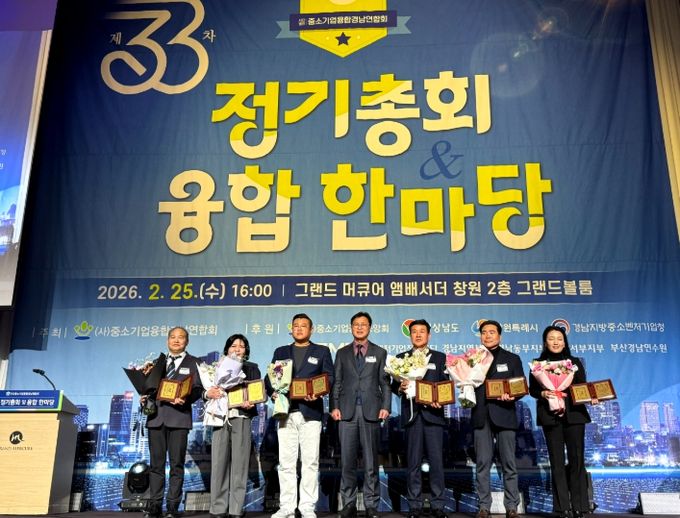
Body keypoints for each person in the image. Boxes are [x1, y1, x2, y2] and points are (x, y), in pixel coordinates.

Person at [265, 313, 334, 518]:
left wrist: (318, 392)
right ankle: (286, 507)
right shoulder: (281, 351)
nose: (299, 328)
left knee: (310, 462)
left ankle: (307, 507)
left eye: (304, 325)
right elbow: (270, 377)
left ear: (311, 330)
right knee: (286, 463)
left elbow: (329, 377)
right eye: (296, 325)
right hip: (285, 412)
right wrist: (273, 391)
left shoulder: (321, 351)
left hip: (310, 413)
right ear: (291, 329)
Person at [331, 312, 391, 518]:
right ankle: (348, 504)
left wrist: (386, 406)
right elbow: (337, 382)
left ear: (369, 327)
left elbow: (385, 383)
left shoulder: (380, 352)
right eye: (356, 324)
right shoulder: (342, 353)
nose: (359, 327)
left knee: (371, 462)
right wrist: (334, 406)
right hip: (346, 412)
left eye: (363, 324)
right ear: (351, 328)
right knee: (347, 462)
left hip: (371, 411)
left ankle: (371, 504)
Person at [529, 326, 593, 518]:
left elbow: (581, 386)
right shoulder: (537, 364)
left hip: (574, 416)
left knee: (577, 460)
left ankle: (580, 506)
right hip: (550, 416)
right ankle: (562, 507)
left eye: (559, 338)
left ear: (564, 342)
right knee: (556, 462)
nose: (555, 341)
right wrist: (544, 393)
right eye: (551, 338)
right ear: (545, 342)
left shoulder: (574, 362)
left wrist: (591, 396)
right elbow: (533, 390)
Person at [390, 319, 448, 518]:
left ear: (429, 335)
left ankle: (438, 505)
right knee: (413, 463)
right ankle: (414, 505)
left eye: (422, 331)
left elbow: (445, 383)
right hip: (412, 416)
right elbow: (392, 385)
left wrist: (440, 399)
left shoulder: (439, 358)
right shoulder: (401, 358)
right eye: (414, 331)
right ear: (410, 335)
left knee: (436, 463)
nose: (418, 334)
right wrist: (400, 387)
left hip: (434, 416)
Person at [145, 326, 203, 518]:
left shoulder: (195, 363)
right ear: (167, 340)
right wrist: (144, 395)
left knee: (176, 465)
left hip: (179, 418)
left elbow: (198, 388)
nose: (176, 340)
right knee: (156, 465)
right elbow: (149, 388)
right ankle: (155, 506)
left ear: (187, 341)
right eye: (172, 337)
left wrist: (185, 399)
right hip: (156, 418)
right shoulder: (157, 363)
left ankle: (172, 507)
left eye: (181, 337)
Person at [471, 320, 525, 518]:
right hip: (481, 415)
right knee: (482, 463)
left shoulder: (512, 358)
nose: (487, 335)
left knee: (509, 463)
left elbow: (520, 385)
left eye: (492, 332)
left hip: (505, 414)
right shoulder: (472, 359)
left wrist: (512, 395)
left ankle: (511, 506)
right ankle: (484, 506)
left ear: (499, 336)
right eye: (484, 332)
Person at [204, 334, 262, 518]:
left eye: (241, 346)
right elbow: (204, 391)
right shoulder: (215, 367)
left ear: (246, 351)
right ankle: (218, 508)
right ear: (227, 348)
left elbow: (256, 392)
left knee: (240, 464)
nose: (237, 349)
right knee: (218, 463)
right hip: (220, 417)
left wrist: (251, 401)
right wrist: (209, 393)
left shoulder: (252, 368)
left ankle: (236, 509)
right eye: (233, 345)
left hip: (241, 417)